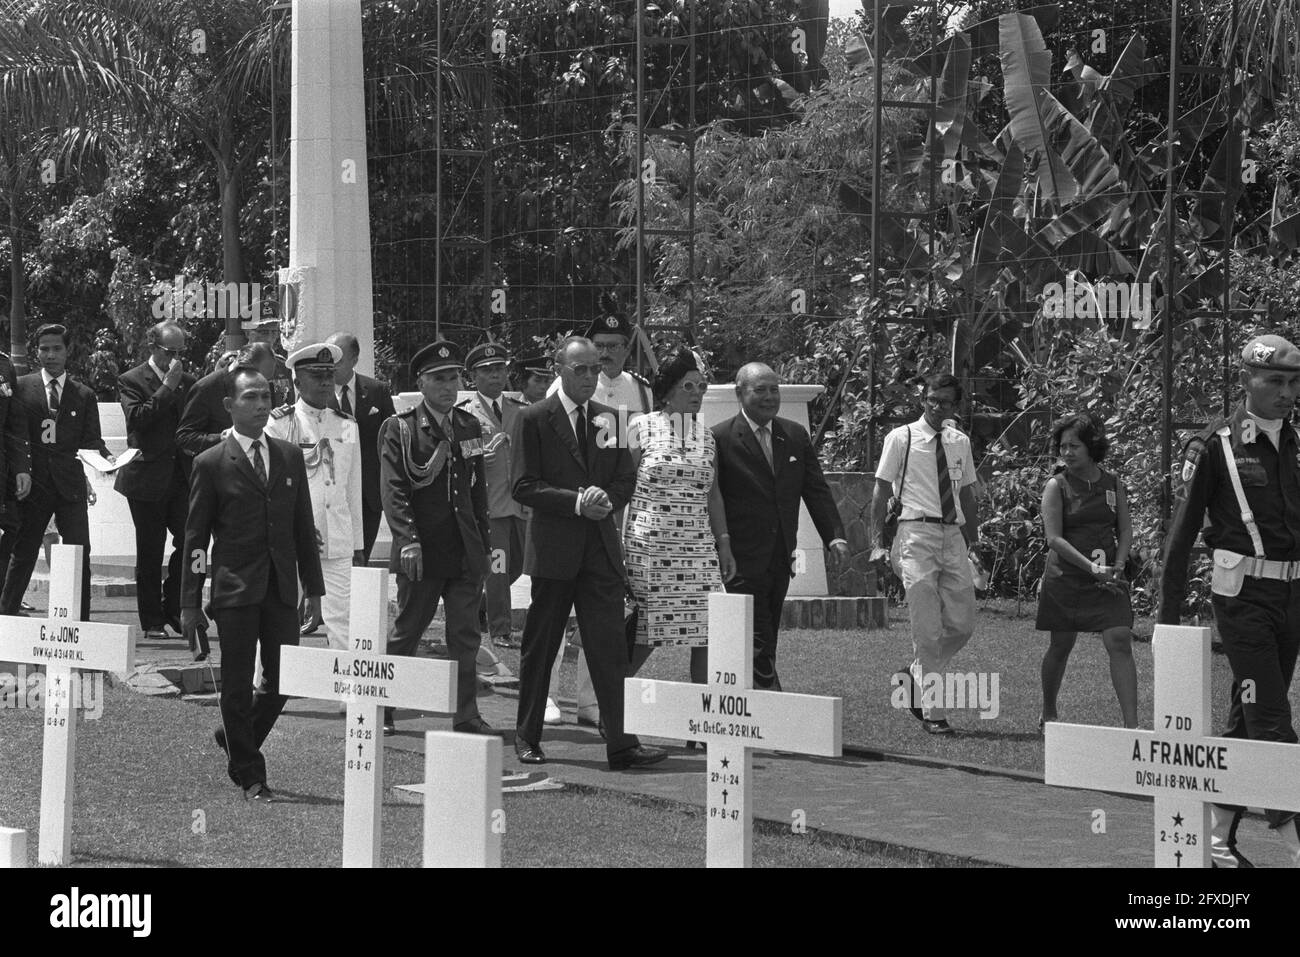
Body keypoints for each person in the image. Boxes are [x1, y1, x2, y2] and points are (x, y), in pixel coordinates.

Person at [1160, 333, 1300, 868]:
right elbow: (1181, 534)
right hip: (1242, 600)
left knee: (1248, 717)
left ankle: (1214, 839)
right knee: (1272, 720)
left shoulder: (1295, 440)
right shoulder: (1215, 444)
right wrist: (1168, 622)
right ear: (1246, 381)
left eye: (1293, 382)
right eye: (1274, 382)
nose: (1286, 393)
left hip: (1291, 598)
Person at [512, 335, 667, 770]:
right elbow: (523, 486)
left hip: (599, 552)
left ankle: (621, 743)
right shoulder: (534, 418)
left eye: (594, 368)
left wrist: (606, 500)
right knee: (541, 647)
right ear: (559, 367)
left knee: (609, 649)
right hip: (555, 553)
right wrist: (577, 501)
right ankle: (527, 736)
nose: (588, 376)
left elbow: (625, 479)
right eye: (579, 369)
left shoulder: (609, 419)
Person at [181, 365, 324, 803]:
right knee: (238, 683)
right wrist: (190, 602)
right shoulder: (210, 462)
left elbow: (303, 527)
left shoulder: (289, 455)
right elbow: (195, 538)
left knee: (282, 681)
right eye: (250, 397)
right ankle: (250, 773)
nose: (261, 405)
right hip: (235, 589)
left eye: (265, 396)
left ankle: (235, 736)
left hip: (281, 588)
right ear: (229, 405)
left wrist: (313, 589)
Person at [378, 340, 499, 737]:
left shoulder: (468, 425)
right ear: (421, 382)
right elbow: (394, 489)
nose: (449, 386)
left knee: (465, 636)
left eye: (454, 378)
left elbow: (476, 490)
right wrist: (407, 540)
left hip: (464, 549)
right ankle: (384, 705)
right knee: (408, 630)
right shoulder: (401, 427)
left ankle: (466, 714)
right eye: (439, 378)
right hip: (423, 550)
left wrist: (483, 542)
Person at [545, 304, 651, 728]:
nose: (606, 355)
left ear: (628, 349)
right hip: (572, 512)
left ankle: (590, 702)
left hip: (621, 514)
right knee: (556, 611)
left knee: (604, 613)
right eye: (600, 346)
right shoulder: (563, 387)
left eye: (615, 346)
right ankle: (549, 696)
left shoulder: (640, 391)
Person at [713, 362, 848, 692]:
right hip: (740, 559)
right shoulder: (720, 437)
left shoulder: (794, 435)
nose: (769, 397)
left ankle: (748, 707)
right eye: (760, 390)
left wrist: (835, 537)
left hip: (780, 556)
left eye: (774, 389)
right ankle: (775, 708)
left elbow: (815, 489)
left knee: (767, 633)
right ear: (739, 393)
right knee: (756, 636)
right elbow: (712, 497)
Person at [868, 373, 978, 734]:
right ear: (923, 397)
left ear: (954, 406)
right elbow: (881, 490)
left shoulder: (959, 441)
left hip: (953, 536)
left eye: (945, 402)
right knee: (927, 628)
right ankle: (934, 713)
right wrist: (877, 543)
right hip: (915, 533)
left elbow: (966, 494)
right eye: (932, 399)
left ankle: (913, 674)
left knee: (962, 624)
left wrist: (972, 542)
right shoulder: (902, 438)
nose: (937, 406)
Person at [624, 348, 736, 703]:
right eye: (688, 386)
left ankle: (706, 716)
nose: (696, 393)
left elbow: (714, 495)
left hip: (700, 549)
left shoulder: (708, 437)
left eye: (701, 387)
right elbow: (620, 487)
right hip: (650, 547)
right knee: (649, 628)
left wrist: (725, 543)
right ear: (668, 391)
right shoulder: (639, 427)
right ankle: (612, 702)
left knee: (708, 630)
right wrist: (613, 541)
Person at [1, 324, 113, 620]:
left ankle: (81, 623)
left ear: (67, 351)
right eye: (44, 349)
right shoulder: (22, 387)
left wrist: (110, 459)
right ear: (36, 351)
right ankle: (6, 616)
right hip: (33, 485)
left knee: (80, 553)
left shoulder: (84, 394)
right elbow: (13, 433)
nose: (50, 355)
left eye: (57, 349)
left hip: (70, 487)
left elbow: (92, 441)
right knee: (23, 552)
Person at [1036, 412, 1136, 730]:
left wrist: (1118, 567)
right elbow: (1054, 539)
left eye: (1074, 445)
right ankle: (1049, 713)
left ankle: (1131, 726)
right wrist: (1092, 568)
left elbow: (1125, 530)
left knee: (1119, 638)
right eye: (1062, 446)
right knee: (1061, 645)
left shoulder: (1112, 483)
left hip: (1108, 580)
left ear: (1092, 446)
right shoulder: (1056, 485)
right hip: (1065, 580)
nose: (1066, 452)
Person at [265, 343, 364, 658]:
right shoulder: (279, 424)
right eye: (315, 375)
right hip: (291, 538)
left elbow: (352, 486)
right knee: (279, 615)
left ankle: (347, 692)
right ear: (297, 381)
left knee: (344, 618)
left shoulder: (346, 425)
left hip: (336, 535)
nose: (325, 382)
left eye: (329, 375)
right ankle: (266, 685)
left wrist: (357, 543)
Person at [113, 321, 195, 639]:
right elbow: (138, 420)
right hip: (145, 478)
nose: (174, 359)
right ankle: (152, 620)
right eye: (168, 352)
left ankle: (173, 605)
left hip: (180, 478)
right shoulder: (131, 379)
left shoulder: (189, 382)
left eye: (179, 352)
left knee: (191, 542)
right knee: (150, 549)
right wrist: (166, 388)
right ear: (153, 347)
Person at [457, 342, 528, 649]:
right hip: (491, 504)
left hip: (521, 503)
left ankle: (480, 604)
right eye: (487, 371)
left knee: (519, 565)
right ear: (473, 376)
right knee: (498, 569)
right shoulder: (465, 414)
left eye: (499, 369)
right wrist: (477, 454)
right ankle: (500, 629)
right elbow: (457, 452)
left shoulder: (519, 410)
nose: (495, 376)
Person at [325, 331, 396, 563]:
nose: (332, 366)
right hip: (331, 493)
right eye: (329, 359)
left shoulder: (377, 391)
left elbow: (391, 438)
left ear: (354, 360)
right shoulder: (317, 394)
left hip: (368, 494)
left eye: (339, 360)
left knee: (361, 558)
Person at [176, 342, 278, 472]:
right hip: (220, 472)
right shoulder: (207, 388)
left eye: (267, 381)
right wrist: (221, 438)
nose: (263, 385)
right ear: (242, 367)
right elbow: (185, 437)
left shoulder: (264, 384)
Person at [0, 348, 31, 597]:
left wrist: (21, 467)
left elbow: (14, 424)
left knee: (10, 528)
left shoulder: (3, 365)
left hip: (2, 472)